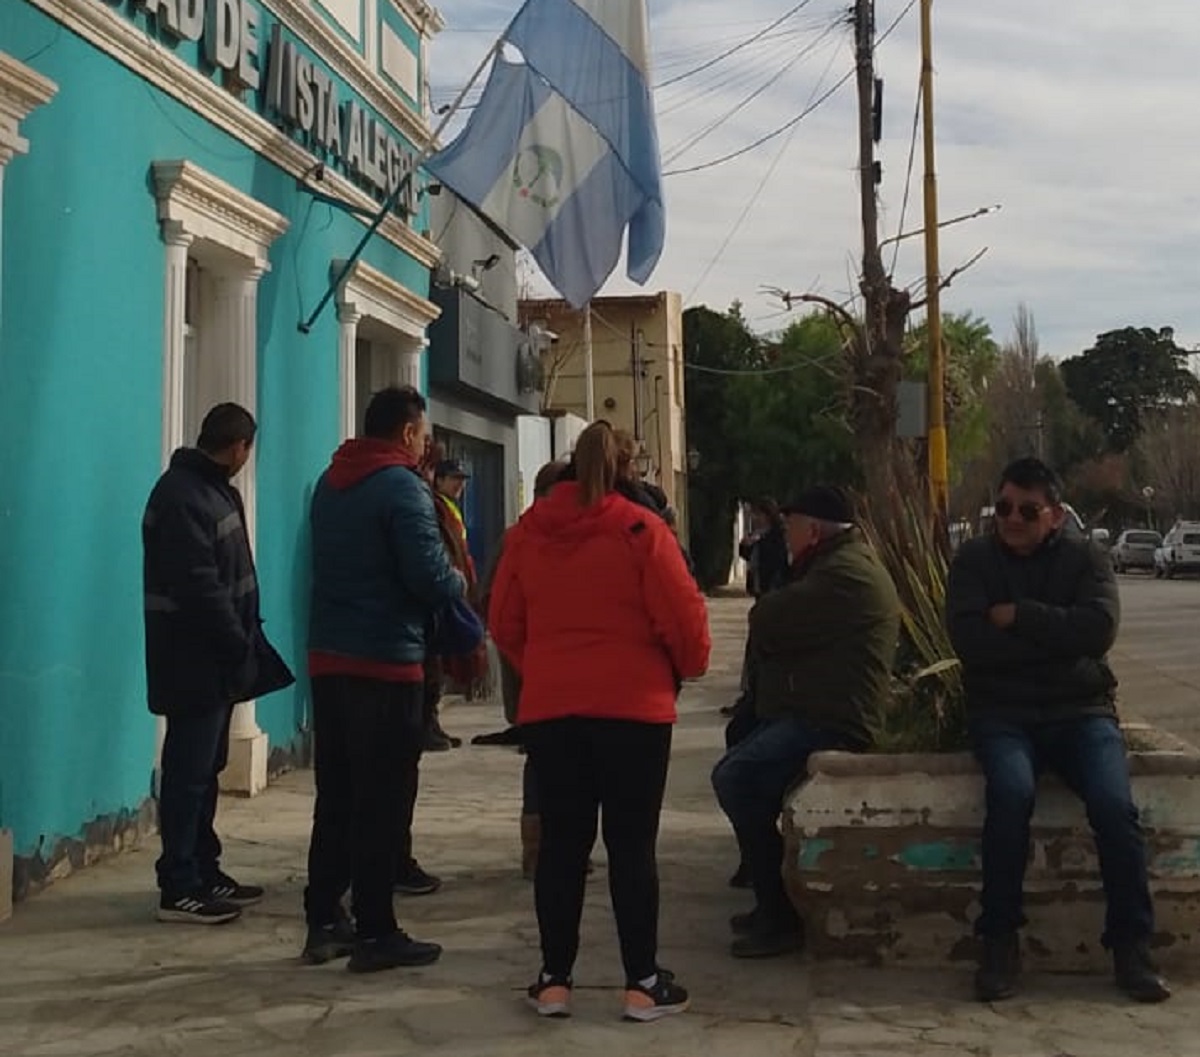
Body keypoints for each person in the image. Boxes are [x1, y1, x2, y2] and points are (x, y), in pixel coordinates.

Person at [489, 421, 711, 1022]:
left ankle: (553, 980)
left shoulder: (526, 535)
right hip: (635, 711)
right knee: (631, 846)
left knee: (562, 845)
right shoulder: (642, 531)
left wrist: (544, 668)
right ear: (625, 470)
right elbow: (684, 616)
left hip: (555, 711)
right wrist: (682, 669)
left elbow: (503, 621)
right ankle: (642, 981)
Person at [946, 457, 1169, 1004]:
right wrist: (1055, 637)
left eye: (1027, 510)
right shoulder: (974, 561)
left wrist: (1019, 615)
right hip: (1003, 714)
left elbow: (1097, 632)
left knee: (1115, 808)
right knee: (1011, 796)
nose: (1012, 519)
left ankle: (1131, 947)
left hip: (1080, 713)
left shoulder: (1086, 558)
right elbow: (970, 643)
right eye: (1003, 508)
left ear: (1054, 515)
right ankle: (998, 940)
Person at [303, 385, 465, 973]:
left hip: (330, 659)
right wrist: (458, 584)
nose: (426, 446)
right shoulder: (402, 488)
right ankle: (376, 930)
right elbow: (427, 575)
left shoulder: (329, 483)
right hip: (386, 661)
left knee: (338, 796)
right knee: (382, 800)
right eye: (423, 435)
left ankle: (324, 918)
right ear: (406, 434)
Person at [712, 486, 900, 959]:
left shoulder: (844, 574)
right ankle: (766, 892)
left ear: (813, 530)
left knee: (737, 779)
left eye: (792, 526)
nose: (786, 536)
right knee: (741, 744)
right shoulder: (829, 565)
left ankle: (780, 912)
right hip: (813, 704)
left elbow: (769, 618)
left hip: (835, 718)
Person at [143, 402, 295, 924]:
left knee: (206, 769)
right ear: (238, 448)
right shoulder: (184, 497)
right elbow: (200, 587)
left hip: (214, 660)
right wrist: (236, 642)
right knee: (188, 772)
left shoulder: (210, 492)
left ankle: (204, 867)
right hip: (193, 661)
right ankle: (179, 883)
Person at [478, 459, 569, 879]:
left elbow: (488, 599)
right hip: (544, 671)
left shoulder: (516, 538)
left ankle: (540, 851)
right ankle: (552, 848)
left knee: (542, 758)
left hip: (532, 671)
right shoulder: (536, 540)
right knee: (558, 761)